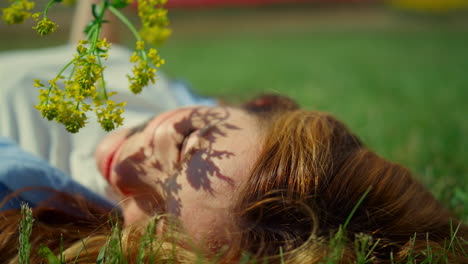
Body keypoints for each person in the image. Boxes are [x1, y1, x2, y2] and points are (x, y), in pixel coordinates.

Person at [1, 3, 467, 264]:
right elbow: (95, 60)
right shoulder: (164, 94)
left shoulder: (28, 202)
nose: (125, 168)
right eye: (186, 142)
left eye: (159, 221)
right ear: (255, 106)